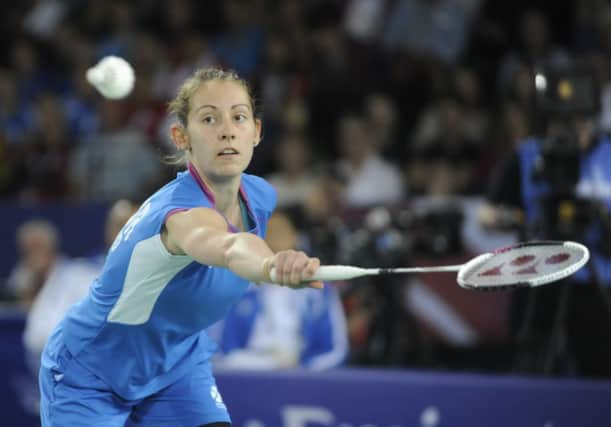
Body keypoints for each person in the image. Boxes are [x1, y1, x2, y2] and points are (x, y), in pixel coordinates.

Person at [38, 67, 323, 427]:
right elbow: (229, 247)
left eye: (239, 117)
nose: (227, 130)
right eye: (209, 118)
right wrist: (272, 267)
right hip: (90, 372)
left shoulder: (261, 196)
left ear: (257, 132)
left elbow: (262, 243)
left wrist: (288, 261)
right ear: (181, 136)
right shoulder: (182, 214)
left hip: (175, 365)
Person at [479, 71, 611, 378]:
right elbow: (485, 213)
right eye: (557, 122)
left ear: (589, 120)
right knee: (530, 368)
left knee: (601, 372)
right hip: (538, 278)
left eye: (574, 122)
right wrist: (518, 219)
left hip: (598, 284)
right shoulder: (528, 154)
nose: (565, 131)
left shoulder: (608, 154)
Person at [212, 211, 348, 371]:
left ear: (295, 236)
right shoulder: (234, 288)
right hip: (248, 374)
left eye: (281, 232)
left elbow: (335, 350)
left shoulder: (318, 291)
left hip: (302, 377)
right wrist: (261, 365)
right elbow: (219, 349)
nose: (275, 239)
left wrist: (304, 370)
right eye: (269, 232)